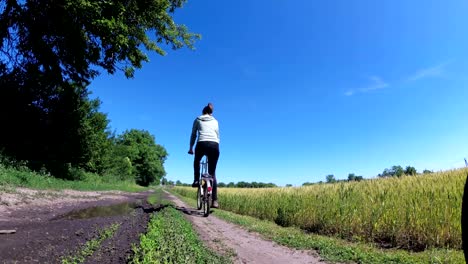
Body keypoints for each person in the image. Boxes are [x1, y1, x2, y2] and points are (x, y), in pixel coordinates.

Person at [188, 103, 220, 208]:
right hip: (214, 145)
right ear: (211, 113)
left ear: (203, 112)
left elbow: (193, 135)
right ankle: (215, 200)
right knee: (212, 174)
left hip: (202, 144)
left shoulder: (198, 119)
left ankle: (196, 180)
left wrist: (191, 148)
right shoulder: (215, 121)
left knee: (197, 161)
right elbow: (218, 136)